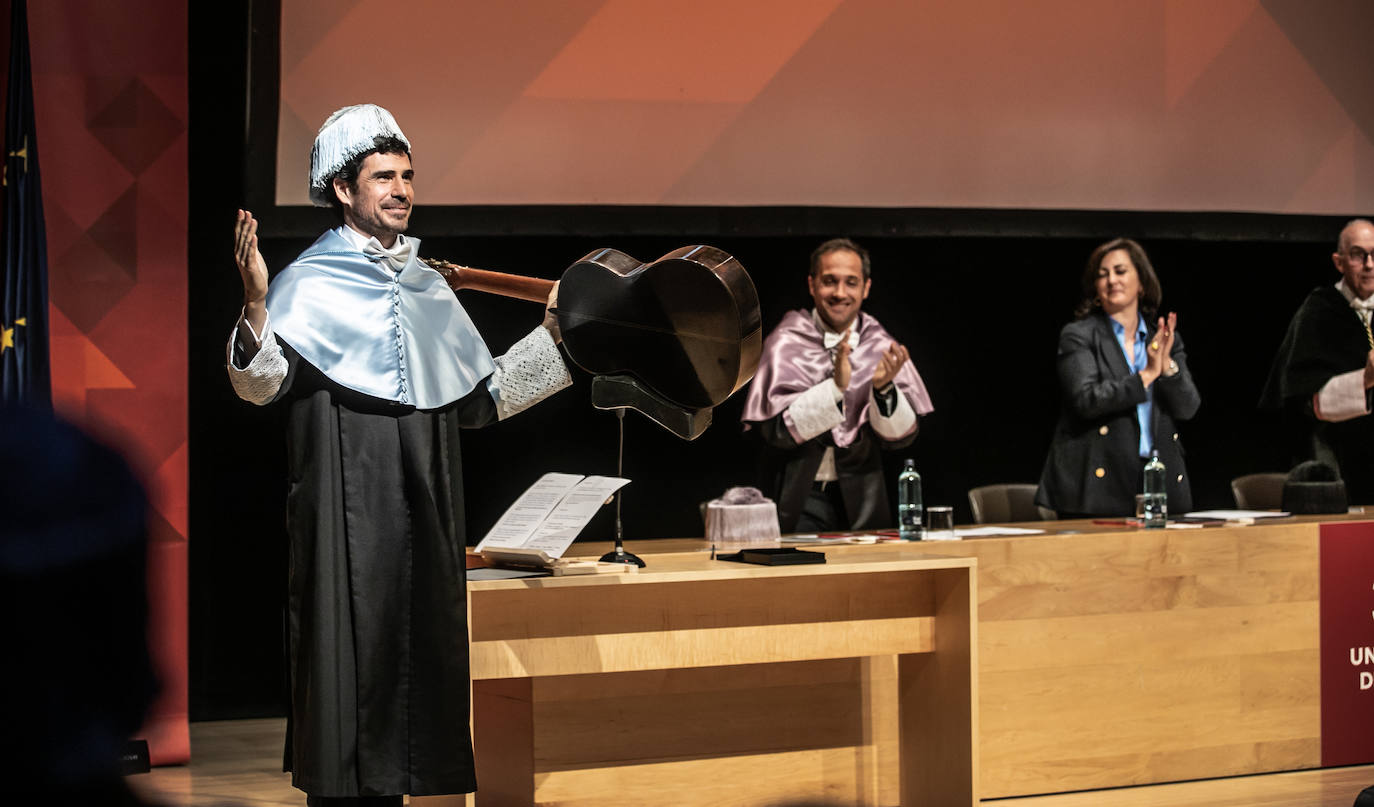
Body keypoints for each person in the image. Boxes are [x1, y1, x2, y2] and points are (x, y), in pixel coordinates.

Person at [225, 104, 571, 804]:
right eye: (383, 175)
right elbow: (261, 386)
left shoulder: (427, 285)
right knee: (349, 671)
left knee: (422, 673)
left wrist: (558, 344)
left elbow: (478, 399)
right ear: (343, 191)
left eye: (408, 175)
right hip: (346, 511)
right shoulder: (308, 283)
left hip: (426, 506)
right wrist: (258, 305)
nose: (401, 188)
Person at [740, 238, 933, 532]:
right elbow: (774, 432)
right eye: (830, 281)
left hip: (864, 496)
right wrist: (836, 388)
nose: (840, 293)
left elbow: (902, 438)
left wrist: (882, 390)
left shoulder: (880, 345)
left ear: (866, 288)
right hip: (799, 499)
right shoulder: (785, 342)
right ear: (812, 284)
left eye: (851, 282)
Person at [1036, 238, 1200, 518]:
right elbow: (1087, 400)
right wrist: (1146, 375)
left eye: (1121, 271)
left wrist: (1167, 365)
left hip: (1157, 481)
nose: (1112, 280)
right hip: (1099, 483)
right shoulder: (1079, 335)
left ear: (1142, 283)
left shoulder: (1163, 339)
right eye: (1103, 275)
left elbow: (1188, 407)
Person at [1261, 218, 1374, 503]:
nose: (1369, 264)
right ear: (1339, 262)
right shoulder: (1320, 312)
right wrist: (1366, 380)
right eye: (1358, 255)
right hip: (1338, 459)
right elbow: (1305, 401)